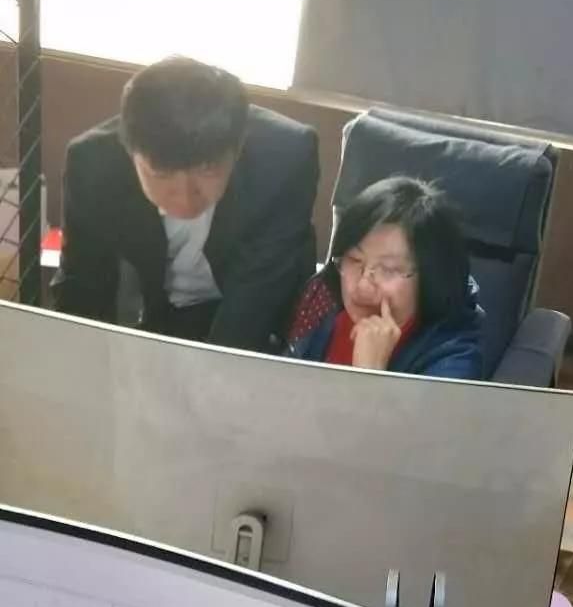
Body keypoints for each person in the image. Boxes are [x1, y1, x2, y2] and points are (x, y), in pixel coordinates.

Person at [53, 56, 319, 353]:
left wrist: (215, 374)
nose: (184, 197)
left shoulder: (285, 158)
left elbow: (257, 291)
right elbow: (83, 284)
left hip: (251, 309)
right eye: (161, 175)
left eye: (207, 171)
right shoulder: (92, 163)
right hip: (158, 302)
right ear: (131, 153)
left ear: (237, 149)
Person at [287, 176, 484, 381]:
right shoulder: (323, 302)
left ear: (430, 277)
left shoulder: (454, 362)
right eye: (354, 260)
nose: (363, 286)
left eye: (388, 269)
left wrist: (370, 373)